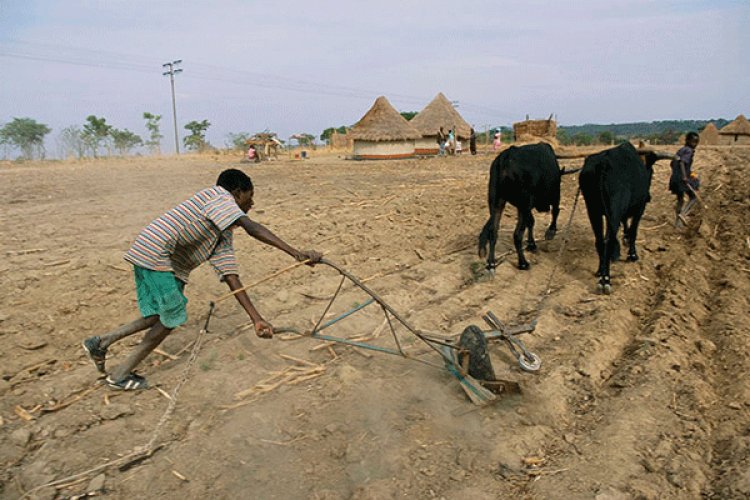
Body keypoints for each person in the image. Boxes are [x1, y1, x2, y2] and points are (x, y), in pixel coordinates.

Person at [82, 169, 322, 390]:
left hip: (164, 259)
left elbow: (231, 277)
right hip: (156, 251)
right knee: (172, 316)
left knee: (159, 314)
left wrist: (256, 319)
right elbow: (251, 227)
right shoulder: (218, 197)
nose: (251, 204)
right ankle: (120, 375)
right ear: (237, 193)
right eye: (249, 197)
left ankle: (101, 342)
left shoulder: (222, 231)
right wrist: (296, 253)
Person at [669, 132, 700, 227]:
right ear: (688, 141)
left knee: (680, 200)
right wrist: (685, 176)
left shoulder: (681, 150)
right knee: (693, 197)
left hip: (674, 178)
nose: (695, 144)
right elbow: (682, 162)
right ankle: (683, 214)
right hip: (682, 179)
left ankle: (677, 223)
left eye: (696, 142)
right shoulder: (689, 151)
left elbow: (672, 163)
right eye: (693, 142)